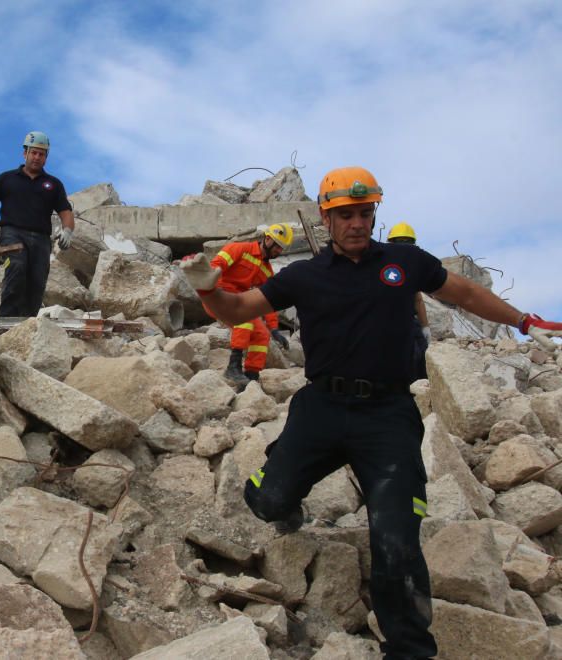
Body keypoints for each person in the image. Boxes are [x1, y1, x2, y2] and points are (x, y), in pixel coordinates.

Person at [179, 166, 562, 659]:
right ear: (326, 217)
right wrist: (209, 289)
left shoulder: (405, 263)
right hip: (322, 407)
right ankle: (279, 481)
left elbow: (463, 293)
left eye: (364, 213)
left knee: (397, 538)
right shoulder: (304, 276)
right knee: (270, 502)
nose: (356, 223)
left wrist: (524, 320)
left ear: (373, 213)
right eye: (345, 215)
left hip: (388, 415)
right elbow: (237, 311)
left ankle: (408, 650)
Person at [0, 131, 75, 317]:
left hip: (41, 240)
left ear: (46, 158)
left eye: (41, 154)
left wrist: (67, 231)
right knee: (16, 268)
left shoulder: (53, 184)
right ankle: (5, 320)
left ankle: (27, 323)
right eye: (33, 152)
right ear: (24, 153)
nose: (37, 157)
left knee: (37, 281)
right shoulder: (6, 179)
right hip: (12, 234)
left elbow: (66, 213)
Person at [205, 224, 294, 387]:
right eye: (278, 247)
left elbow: (267, 301)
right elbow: (214, 268)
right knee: (244, 320)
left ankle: (250, 377)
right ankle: (233, 367)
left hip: (238, 301)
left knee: (261, 334)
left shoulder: (267, 271)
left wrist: (274, 328)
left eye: (282, 249)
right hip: (217, 296)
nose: (279, 252)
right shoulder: (239, 249)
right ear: (268, 239)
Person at [387, 222, 431, 381]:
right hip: (391, 325)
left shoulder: (410, 268)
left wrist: (425, 327)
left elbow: (418, 299)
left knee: (422, 360)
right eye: (401, 242)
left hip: (409, 324)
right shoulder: (382, 267)